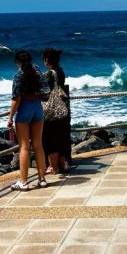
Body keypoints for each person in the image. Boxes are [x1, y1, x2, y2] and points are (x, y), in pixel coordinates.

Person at [7, 50, 50, 191]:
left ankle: (23, 182)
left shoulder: (18, 75)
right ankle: (42, 179)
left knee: (24, 147)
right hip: (37, 108)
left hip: (24, 110)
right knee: (38, 145)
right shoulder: (37, 69)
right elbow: (46, 88)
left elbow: (16, 98)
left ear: (17, 62)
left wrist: (10, 118)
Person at [41, 47, 71, 175]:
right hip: (61, 109)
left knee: (50, 138)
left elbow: (46, 90)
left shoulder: (49, 74)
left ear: (47, 60)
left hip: (51, 111)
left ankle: (53, 166)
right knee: (61, 137)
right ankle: (63, 164)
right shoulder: (61, 71)